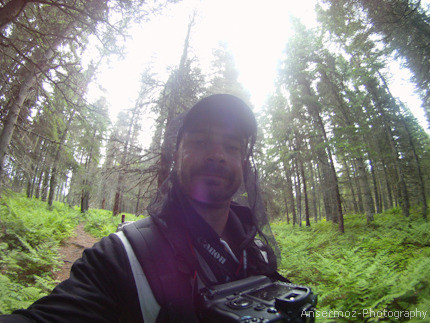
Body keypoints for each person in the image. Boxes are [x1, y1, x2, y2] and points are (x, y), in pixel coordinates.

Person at [1, 94, 282, 322]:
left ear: (244, 167)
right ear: (177, 156)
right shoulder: (122, 256)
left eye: (232, 147)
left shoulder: (255, 252)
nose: (217, 156)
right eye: (200, 141)